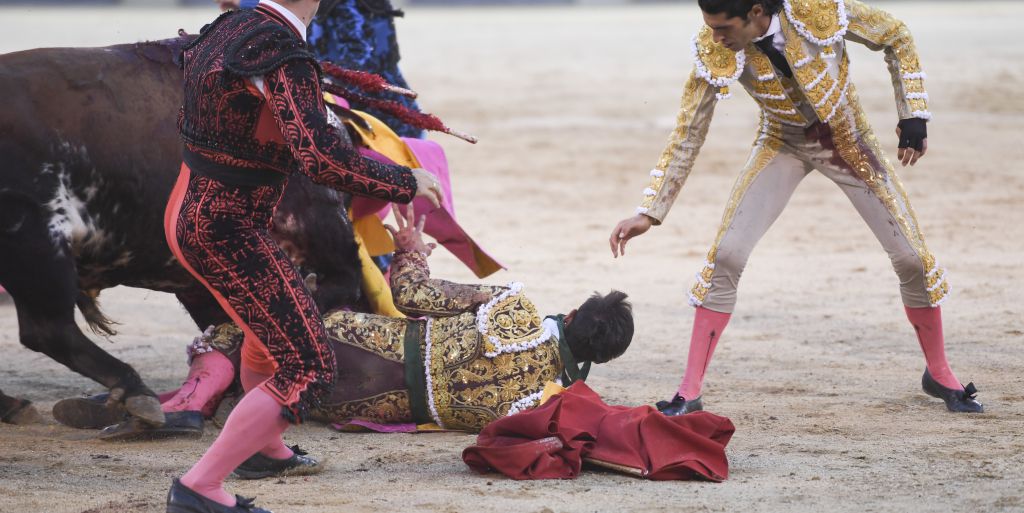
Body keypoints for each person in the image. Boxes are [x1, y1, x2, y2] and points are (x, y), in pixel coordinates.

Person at [609, 0, 983, 416]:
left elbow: (895, 34)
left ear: (755, 12)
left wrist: (913, 113)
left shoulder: (814, 8)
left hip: (848, 140)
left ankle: (940, 373)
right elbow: (688, 132)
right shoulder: (714, 46)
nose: (714, 37)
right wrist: (650, 211)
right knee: (727, 255)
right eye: (710, 26)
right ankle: (688, 391)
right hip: (781, 143)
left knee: (912, 258)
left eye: (723, 27)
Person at [165, 1, 444, 512]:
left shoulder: (232, 26)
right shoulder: (280, 49)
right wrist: (405, 180)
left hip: (193, 209)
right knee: (308, 365)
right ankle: (200, 487)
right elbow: (319, 157)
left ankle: (264, 450)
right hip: (227, 229)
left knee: (265, 337)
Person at [63, 204, 633, 441]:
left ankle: (189, 398)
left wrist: (411, 249)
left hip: (357, 340)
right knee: (269, 379)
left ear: (573, 314)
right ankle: (185, 402)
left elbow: (409, 293)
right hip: (354, 406)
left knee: (260, 323)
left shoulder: (516, 309)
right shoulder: (551, 400)